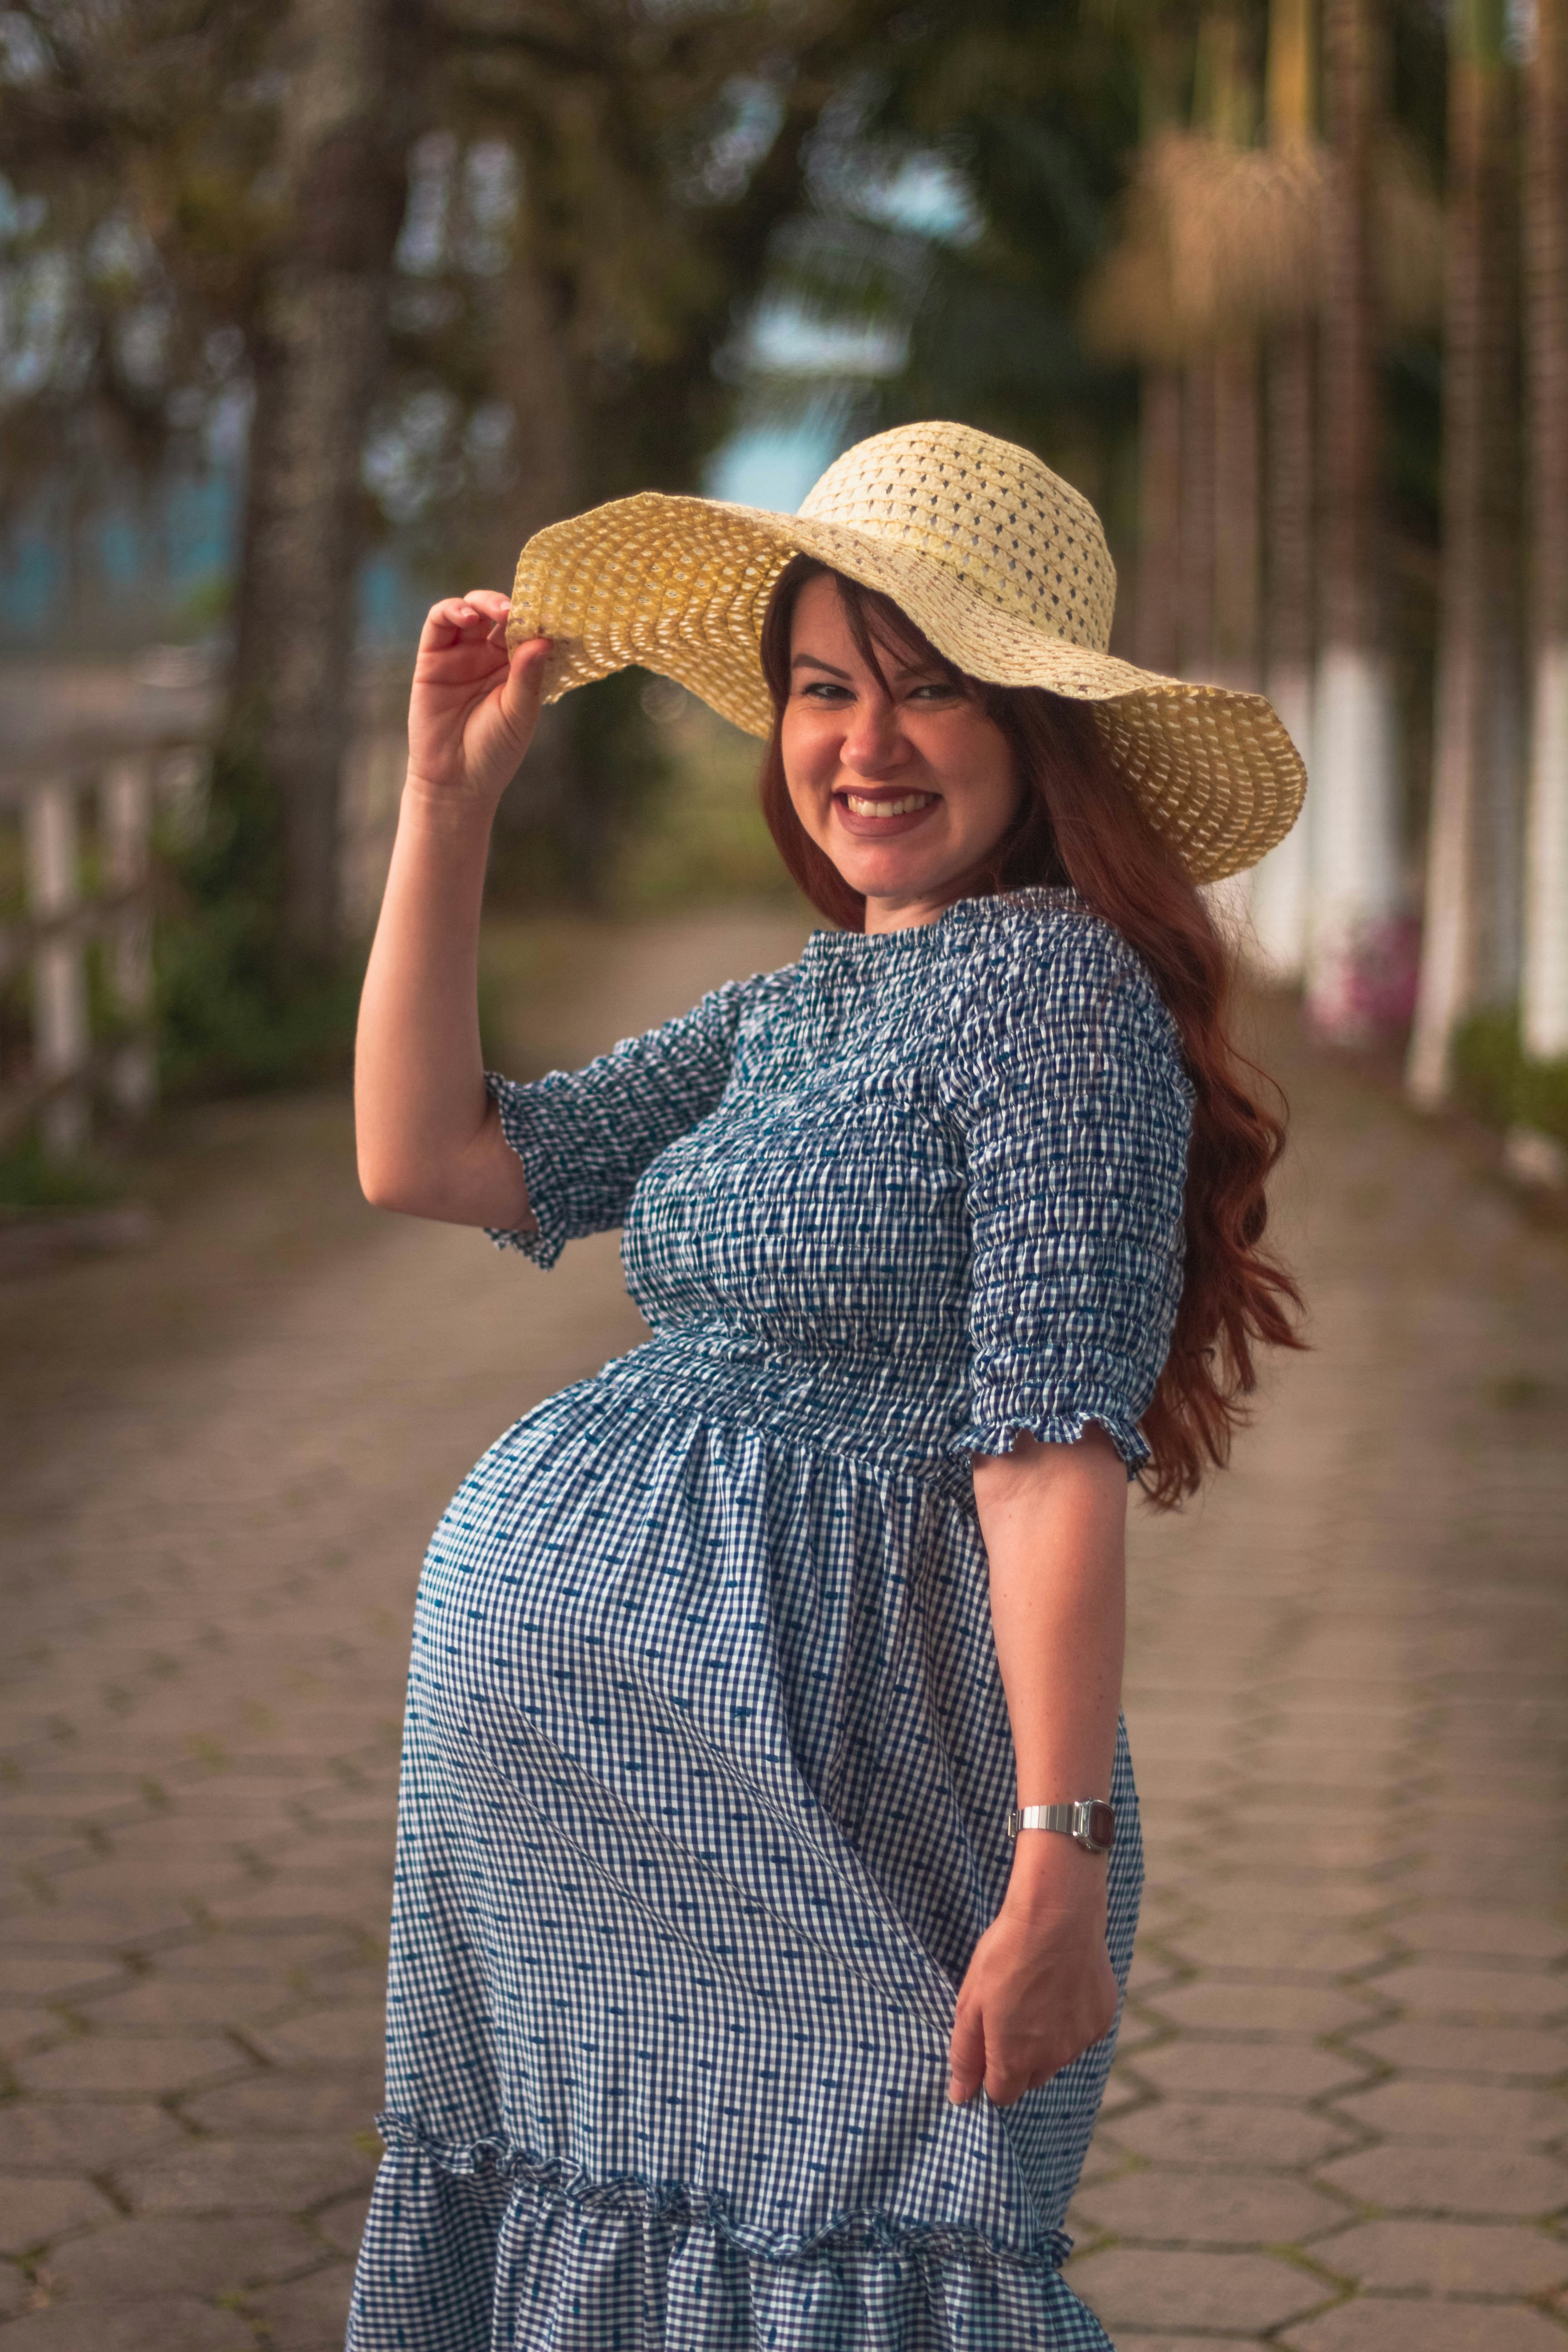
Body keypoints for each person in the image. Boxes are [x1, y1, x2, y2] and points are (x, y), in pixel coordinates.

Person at [348, 420, 1304, 2352]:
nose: (865, 742)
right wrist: (446, 807)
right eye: (823, 688)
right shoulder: (803, 998)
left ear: (1043, 730)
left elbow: (1048, 1453)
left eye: (931, 690)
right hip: (588, 1802)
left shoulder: (1053, 994)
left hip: (830, 1764)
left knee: (878, 2218)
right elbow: (437, 1160)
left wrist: (1058, 1865)